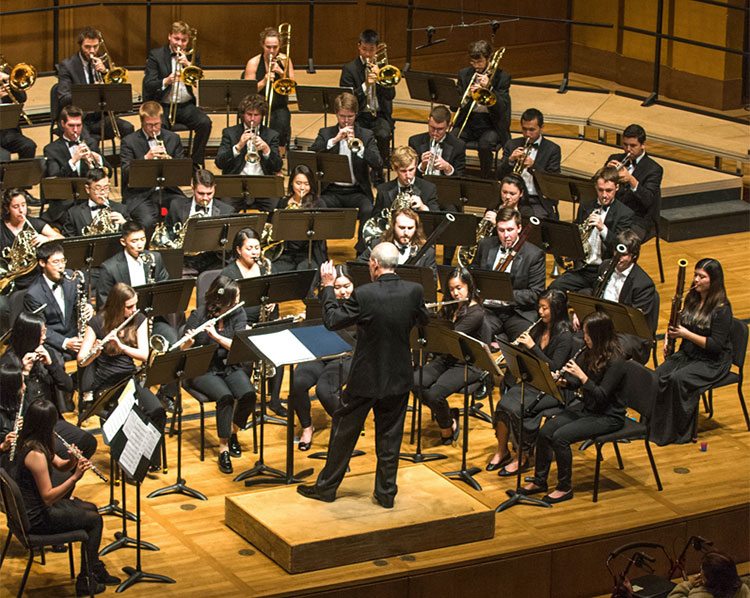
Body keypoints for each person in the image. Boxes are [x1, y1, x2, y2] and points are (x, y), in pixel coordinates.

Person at [297, 243, 429, 508]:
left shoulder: (366, 294)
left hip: (366, 378)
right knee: (390, 438)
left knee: (344, 433)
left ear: (374, 264)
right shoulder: (414, 291)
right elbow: (422, 320)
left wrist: (327, 287)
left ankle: (326, 488)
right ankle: (386, 493)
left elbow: (333, 321)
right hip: (400, 376)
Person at [10, 399, 120, 596]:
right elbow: (48, 498)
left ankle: (93, 568)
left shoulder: (35, 441)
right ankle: (86, 580)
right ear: (46, 424)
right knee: (95, 520)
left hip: (35, 509)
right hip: (36, 519)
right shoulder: (35, 454)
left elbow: (60, 465)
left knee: (92, 509)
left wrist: (72, 460)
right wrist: (75, 477)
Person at [519, 311, 627, 504]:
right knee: (545, 432)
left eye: (587, 334)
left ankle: (564, 487)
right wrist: (564, 383)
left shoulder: (617, 360)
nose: (584, 338)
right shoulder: (590, 351)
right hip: (588, 407)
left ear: (599, 335)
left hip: (608, 416)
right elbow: (579, 386)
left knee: (560, 438)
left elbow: (602, 395)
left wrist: (582, 376)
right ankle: (539, 481)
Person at [77, 282, 166, 470]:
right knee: (125, 420)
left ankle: (148, 456)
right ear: (117, 306)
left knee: (157, 410)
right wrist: (95, 352)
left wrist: (122, 346)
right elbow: (81, 360)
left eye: (135, 304)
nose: (134, 309)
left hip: (130, 379)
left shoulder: (138, 319)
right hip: (107, 384)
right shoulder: (97, 322)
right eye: (129, 306)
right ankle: (129, 464)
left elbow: (144, 355)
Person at [488, 289, 575, 476]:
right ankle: (501, 451)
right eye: (540, 307)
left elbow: (554, 368)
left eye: (545, 308)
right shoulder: (539, 327)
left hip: (554, 389)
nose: (540, 312)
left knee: (518, 408)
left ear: (557, 310)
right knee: (503, 405)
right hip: (534, 382)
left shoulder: (565, 336)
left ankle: (522, 456)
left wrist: (532, 347)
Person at [651, 258, 732, 446]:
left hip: (712, 361)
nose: (696, 280)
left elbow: (715, 346)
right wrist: (669, 340)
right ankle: (655, 427)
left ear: (713, 281)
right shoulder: (691, 298)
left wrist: (686, 334)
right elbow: (682, 325)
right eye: (695, 275)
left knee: (677, 379)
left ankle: (678, 432)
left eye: (701, 277)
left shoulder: (722, 310)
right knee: (657, 376)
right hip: (689, 353)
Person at [182, 275, 256, 474]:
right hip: (203, 369)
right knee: (225, 397)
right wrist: (188, 342)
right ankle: (223, 448)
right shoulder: (199, 315)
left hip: (229, 365)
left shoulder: (238, 313)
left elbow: (238, 346)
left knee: (249, 395)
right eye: (236, 296)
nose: (239, 299)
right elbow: (183, 350)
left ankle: (232, 432)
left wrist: (215, 336)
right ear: (224, 300)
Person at [0, 313, 96, 457]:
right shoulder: (8, 365)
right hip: (29, 429)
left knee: (88, 442)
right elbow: (11, 406)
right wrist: (24, 373)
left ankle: (62, 476)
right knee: (61, 453)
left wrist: (51, 365)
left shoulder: (46, 352)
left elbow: (68, 386)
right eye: (42, 333)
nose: (45, 337)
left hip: (51, 422)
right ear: (30, 335)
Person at [220, 228, 287, 417]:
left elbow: (274, 292)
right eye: (249, 248)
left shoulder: (266, 266)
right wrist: (243, 326)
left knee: (280, 350)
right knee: (247, 357)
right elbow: (224, 308)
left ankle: (274, 400)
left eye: (257, 247)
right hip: (241, 323)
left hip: (265, 320)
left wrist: (274, 300)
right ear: (238, 250)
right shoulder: (229, 273)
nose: (255, 252)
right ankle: (244, 402)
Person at [289, 264, 355, 452]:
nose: (342, 292)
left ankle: (346, 429)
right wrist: (306, 320)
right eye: (336, 287)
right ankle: (307, 427)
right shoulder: (322, 303)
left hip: (347, 356)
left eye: (347, 286)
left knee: (324, 391)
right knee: (298, 383)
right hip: (321, 352)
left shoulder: (359, 304)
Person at [419, 267, 487, 444]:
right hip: (446, 358)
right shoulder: (450, 307)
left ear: (468, 287)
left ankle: (447, 426)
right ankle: (448, 416)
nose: (455, 293)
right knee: (414, 382)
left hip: (467, 363)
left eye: (459, 288)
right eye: (451, 289)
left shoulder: (476, 313)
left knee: (434, 395)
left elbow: (448, 337)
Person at [311, 92, 382, 253]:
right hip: (332, 191)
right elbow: (312, 155)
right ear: (336, 114)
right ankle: (321, 251)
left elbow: (378, 162)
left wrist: (361, 149)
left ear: (355, 115)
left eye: (350, 116)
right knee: (318, 205)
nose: (346, 121)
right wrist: (334, 141)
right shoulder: (326, 133)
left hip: (356, 191)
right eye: (342, 116)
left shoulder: (365, 135)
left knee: (368, 209)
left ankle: (361, 253)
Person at [549, 166, 634, 293]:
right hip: (583, 268)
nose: (604, 195)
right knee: (554, 289)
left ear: (617, 188)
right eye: (600, 190)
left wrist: (603, 228)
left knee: (584, 297)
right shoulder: (585, 205)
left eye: (609, 190)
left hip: (605, 271)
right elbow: (576, 235)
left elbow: (620, 247)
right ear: (595, 187)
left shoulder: (625, 213)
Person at [142, 20, 212, 166]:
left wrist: (188, 65)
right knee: (160, 128)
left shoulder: (193, 55)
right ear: (169, 36)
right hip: (164, 105)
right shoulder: (156, 55)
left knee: (205, 123)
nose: (179, 43)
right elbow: (148, 84)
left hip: (185, 105)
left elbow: (198, 81)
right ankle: (168, 164)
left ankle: (195, 162)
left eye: (184, 40)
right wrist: (166, 81)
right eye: (176, 39)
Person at [54, 26, 135, 149]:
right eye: (87, 47)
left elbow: (116, 93)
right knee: (90, 142)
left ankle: (126, 166)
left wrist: (105, 72)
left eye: (95, 46)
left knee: (128, 129)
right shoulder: (67, 66)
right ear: (80, 45)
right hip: (78, 119)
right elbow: (63, 98)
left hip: (100, 117)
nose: (92, 51)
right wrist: (90, 91)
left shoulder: (103, 61)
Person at [472, 207, 546, 341]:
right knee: (476, 332)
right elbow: (473, 275)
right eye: (501, 230)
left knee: (526, 342)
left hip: (518, 312)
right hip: (489, 309)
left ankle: (500, 339)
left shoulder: (534, 254)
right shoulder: (485, 245)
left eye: (510, 230)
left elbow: (536, 293)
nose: (506, 235)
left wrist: (505, 294)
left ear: (519, 228)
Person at [119, 101, 188, 237]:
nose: (154, 129)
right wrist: (145, 159)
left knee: (184, 214)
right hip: (140, 194)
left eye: (157, 124)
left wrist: (170, 161)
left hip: (168, 190)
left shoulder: (173, 138)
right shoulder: (129, 141)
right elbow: (126, 171)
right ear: (142, 122)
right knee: (148, 221)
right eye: (149, 125)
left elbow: (183, 171)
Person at [593, 229, 658, 364]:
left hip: (629, 332)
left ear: (634, 256)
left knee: (610, 351)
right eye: (617, 253)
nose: (618, 258)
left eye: (624, 255)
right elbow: (595, 294)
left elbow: (635, 321)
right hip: (603, 323)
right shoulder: (605, 266)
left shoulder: (643, 283)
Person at [23, 242, 95, 364]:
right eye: (56, 262)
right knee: (57, 362)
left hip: (76, 336)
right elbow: (39, 329)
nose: (61, 266)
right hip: (53, 343)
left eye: (63, 261)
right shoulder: (33, 294)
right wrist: (65, 342)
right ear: (42, 263)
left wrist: (89, 306)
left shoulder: (73, 278)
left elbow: (83, 299)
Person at [214, 93, 283, 212]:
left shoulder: (272, 135)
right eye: (249, 114)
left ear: (262, 116)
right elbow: (220, 163)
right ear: (242, 114)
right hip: (235, 185)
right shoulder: (230, 133)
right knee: (225, 208)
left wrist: (267, 150)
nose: (252, 119)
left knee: (276, 207)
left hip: (263, 186)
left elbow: (277, 166)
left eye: (256, 115)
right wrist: (238, 146)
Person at [340, 29, 395, 178]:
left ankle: (378, 171)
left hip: (379, 115)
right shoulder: (349, 69)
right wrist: (365, 86)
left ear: (376, 49)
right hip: (358, 116)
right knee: (357, 134)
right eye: (364, 49)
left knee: (383, 134)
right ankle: (358, 171)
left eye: (371, 50)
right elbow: (346, 100)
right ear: (359, 46)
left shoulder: (383, 68)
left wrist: (380, 79)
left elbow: (391, 95)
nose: (368, 54)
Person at [455, 40, 511, 179]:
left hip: (491, 123)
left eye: (479, 62)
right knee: (452, 139)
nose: (476, 66)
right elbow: (454, 105)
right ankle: (457, 175)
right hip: (469, 121)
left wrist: (490, 88)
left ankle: (485, 178)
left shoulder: (502, 78)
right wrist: (466, 96)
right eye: (473, 62)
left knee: (484, 146)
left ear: (489, 58)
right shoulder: (464, 74)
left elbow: (502, 107)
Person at [163, 168, 234, 274]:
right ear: (192, 187)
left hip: (214, 260)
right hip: (186, 260)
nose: (205, 198)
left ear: (214, 188)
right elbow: (168, 234)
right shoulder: (176, 206)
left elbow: (229, 246)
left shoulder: (227, 210)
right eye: (200, 193)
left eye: (209, 193)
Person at [497, 108, 561, 219]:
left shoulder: (552, 149)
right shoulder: (511, 144)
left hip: (537, 199)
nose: (527, 134)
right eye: (524, 129)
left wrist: (533, 166)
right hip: (512, 197)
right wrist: (510, 160)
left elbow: (553, 182)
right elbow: (499, 175)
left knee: (534, 223)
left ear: (542, 128)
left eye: (532, 130)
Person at [605, 124, 663, 240]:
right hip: (614, 213)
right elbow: (598, 185)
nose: (628, 150)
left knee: (622, 242)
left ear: (643, 145)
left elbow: (648, 200)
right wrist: (605, 172)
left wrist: (631, 180)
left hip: (638, 219)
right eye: (625, 145)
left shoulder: (654, 169)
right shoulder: (615, 158)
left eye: (633, 146)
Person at [1, 188, 63, 293]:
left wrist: (47, 239)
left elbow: (61, 239)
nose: (21, 210)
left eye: (23, 205)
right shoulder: (1, 229)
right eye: (15, 207)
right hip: (10, 279)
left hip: (35, 278)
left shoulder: (34, 223)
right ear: (7, 209)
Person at [242, 27, 294, 151]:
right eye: (268, 47)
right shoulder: (253, 63)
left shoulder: (285, 60)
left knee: (282, 122)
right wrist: (264, 81)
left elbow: (292, 87)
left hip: (278, 105)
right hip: (256, 105)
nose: (271, 51)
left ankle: (278, 159)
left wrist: (282, 74)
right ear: (262, 45)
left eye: (275, 47)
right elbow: (247, 92)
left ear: (279, 46)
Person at [272, 164, 328, 272]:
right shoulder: (283, 203)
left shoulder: (319, 203)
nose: (302, 188)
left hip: (309, 253)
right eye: (298, 183)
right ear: (291, 183)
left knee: (304, 275)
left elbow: (323, 234)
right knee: (274, 273)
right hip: (286, 252)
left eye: (306, 184)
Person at [359, 207, 437, 270]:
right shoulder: (377, 245)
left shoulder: (427, 252)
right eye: (401, 227)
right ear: (393, 227)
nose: (406, 233)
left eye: (410, 228)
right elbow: (359, 267)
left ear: (416, 229)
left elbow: (432, 283)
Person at [372, 146, 440, 217]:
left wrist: (423, 207)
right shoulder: (383, 190)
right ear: (394, 168)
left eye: (411, 170)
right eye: (403, 171)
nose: (408, 175)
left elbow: (437, 218)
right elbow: (376, 218)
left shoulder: (429, 188)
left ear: (416, 165)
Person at [62, 167, 128, 237]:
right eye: (97, 188)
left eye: (106, 188)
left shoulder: (121, 209)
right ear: (87, 189)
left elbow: (134, 235)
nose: (102, 192)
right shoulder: (74, 214)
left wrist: (125, 224)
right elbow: (68, 242)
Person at [408, 105, 466, 178]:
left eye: (440, 129)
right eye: (432, 127)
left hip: (445, 186)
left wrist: (448, 168)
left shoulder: (458, 145)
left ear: (448, 126)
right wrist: (422, 166)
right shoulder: (415, 142)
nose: (435, 133)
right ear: (428, 121)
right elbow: (408, 175)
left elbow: (460, 176)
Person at [668, 550, 750, 598]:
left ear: (707, 578)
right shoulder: (743, 589)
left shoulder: (700, 595)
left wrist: (688, 584)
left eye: (702, 570)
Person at [0, 66, 36, 161]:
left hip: (7, 131)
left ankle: (23, 176)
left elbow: (22, 97)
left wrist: (8, 79)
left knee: (29, 146)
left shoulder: (3, 73)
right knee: (3, 156)